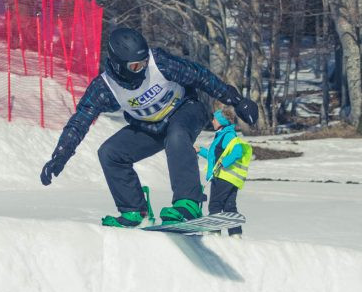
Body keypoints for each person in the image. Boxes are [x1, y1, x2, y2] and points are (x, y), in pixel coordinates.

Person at [40, 27, 258, 228]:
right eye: (136, 66)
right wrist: (60, 156)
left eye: (144, 62)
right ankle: (134, 210)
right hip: (151, 127)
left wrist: (237, 101)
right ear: (118, 65)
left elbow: (200, 76)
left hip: (188, 110)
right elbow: (79, 122)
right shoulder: (104, 88)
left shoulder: (159, 63)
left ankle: (188, 203)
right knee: (110, 153)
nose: (143, 69)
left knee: (177, 135)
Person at [195, 106, 252, 238]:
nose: (212, 122)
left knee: (215, 204)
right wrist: (200, 150)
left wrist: (223, 163)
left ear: (221, 121)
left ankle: (214, 232)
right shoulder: (223, 135)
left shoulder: (228, 135)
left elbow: (237, 152)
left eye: (214, 119)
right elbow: (215, 156)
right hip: (229, 178)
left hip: (223, 176)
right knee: (229, 207)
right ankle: (235, 233)